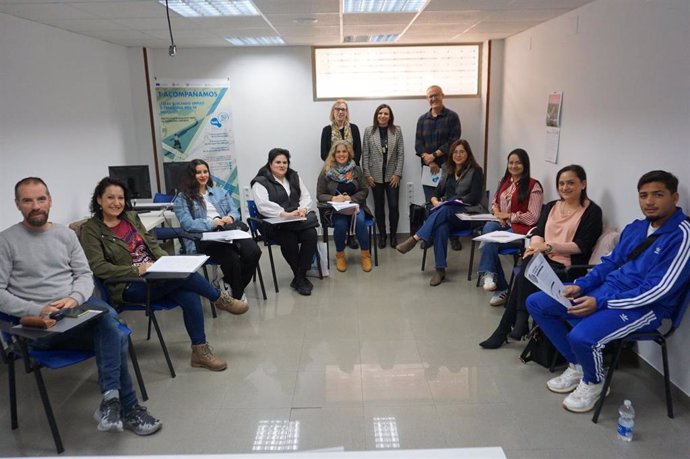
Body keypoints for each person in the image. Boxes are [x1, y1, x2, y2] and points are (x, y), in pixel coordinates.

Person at [0, 177, 161, 436]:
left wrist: (74, 298)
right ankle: (128, 407)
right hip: (41, 328)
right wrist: (35, 309)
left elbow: (84, 276)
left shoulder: (65, 235)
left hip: (75, 312)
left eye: (41, 199)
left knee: (109, 325)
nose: (36, 205)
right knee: (115, 333)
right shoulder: (6, 241)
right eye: (27, 200)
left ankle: (111, 401)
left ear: (50, 201)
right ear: (17, 204)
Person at [527, 170, 690, 413]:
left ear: (674, 197)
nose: (649, 201)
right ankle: (579, 365)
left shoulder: (682, 236)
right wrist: (581, 285)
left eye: (658, 195)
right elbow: (609, 264)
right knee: (538, 302)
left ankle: (594, 382)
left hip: (644, 307)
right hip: (607, 293)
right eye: (643, 195)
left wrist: (600, 302)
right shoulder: (637, 228)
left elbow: (658, 290)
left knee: (581, 336)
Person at [81, 177, 245, 373]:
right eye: (110, 197)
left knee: (189, 294)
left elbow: (151, 245)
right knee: (187, 277)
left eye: (121, 198)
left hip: (155, 276)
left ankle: (200, 352)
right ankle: (219, 299)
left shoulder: (130, 218)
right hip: (128, 284)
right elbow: (98, 267)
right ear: (99, 200)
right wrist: (136, 270)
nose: (117, 203)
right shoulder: (91, 229)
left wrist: (166, 261)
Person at [479, 165, 602, 349]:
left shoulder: (592, 211)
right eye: (561, 183)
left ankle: (508, 326)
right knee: (528, 263)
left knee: (525, 271)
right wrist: (536, 246)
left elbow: (582, 246)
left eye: (571, 183)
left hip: (567, 268)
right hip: (544, 259)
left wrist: (548, 247)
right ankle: (517, 321)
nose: (565, 187)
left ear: (583, 184)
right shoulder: (553, 206)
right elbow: (538, 230)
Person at [396, 139, 485, 286]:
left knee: (446, 208)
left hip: (468, 215)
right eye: (455, 152)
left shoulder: (476, 171)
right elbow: (436, 192)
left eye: (462, 151)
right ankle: (440, 270)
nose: (458, 155)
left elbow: (475, 197)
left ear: (468, 153)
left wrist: (456, 201)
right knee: (441, 226)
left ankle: (416, 238)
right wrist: (435, 201)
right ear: (451, 154)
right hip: (448, 214)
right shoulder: (447, 170)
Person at [173, 159, 262, 305]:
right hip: (204, 237)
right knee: (232, 258)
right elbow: (187, 224)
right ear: (191, 175)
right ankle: (237, 297)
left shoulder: (220, 192)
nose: (203, 175)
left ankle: (228, 282)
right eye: (198, 172)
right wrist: (211, 223)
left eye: (205, 171)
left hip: (228, 231)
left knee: (254, 251)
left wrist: (230, 217)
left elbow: (235, 211)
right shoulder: (182, 198)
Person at [479, 149, 543, 306]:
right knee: (488, 227)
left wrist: (508, 216)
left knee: (489, 241)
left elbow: (533, 217)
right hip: (503, 224)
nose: (514, 166)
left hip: (522, 230)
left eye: (518, 162)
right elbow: (494, 202)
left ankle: (496, 284)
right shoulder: (504, 181)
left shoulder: (533, 186)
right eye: (511, 162)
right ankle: (491, 275)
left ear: (525, 164)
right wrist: (497, 213)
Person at [251, 148, 319, 296]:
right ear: (270, 163)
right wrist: (284, 214)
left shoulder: (294, 176)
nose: (282, 165)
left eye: (285, 162)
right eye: (278, 162)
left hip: (297, 220)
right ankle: (300, 277)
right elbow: (263, 206)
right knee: (289, 237)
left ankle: (299, 277)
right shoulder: (260, 182)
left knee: (311, 234)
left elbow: (306, 196)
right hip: (275, 224)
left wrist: (303, 210)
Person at [317, 140, 373, 273]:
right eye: (338, 152)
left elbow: (365, 190)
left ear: (349, 153)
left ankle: (365, 254)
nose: (341, 154)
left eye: (344, 151)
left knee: (360, 222)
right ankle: (340, 255)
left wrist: (351, 198)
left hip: (356, 207)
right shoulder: (326, 171)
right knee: (341, 225)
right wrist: (333, 198)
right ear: (334, 154)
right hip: (337, 210)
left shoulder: (356, 170)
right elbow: (320, 195)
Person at [321, 99, 363, 250]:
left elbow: (358, 150)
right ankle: (342, 234)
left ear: (347, 112)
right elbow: (323, 153)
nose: (340, 111)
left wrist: (348, 168)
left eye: (343, 109)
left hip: (351, 170)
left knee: (351, 201)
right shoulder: (327, 130)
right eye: (337, 109)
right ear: (333, 112)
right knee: (339, 203)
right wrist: (337, 167)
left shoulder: (354, 128)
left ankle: (351, 237)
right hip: (333, 172)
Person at [362, 103, 404, 249]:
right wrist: (367, 174)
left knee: (393, 206)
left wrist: (398, 174)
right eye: (380, 113)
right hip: (375, 177)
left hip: (392, 177)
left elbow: (400, 154)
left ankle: (393, 236)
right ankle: (382, 236)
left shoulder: (396, 130)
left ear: (390, 116)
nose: (383, 116)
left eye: (386, 113)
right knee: (379, 207)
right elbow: (365, 154)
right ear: (376, 115)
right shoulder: (369, 131)